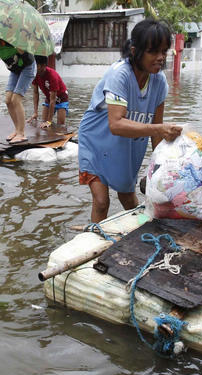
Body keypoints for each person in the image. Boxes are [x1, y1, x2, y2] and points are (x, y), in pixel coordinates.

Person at [77, 19, 183, 222]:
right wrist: (159, 129)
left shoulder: (159, 82)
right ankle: (96, 241)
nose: (160, 58)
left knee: (127, 197)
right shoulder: (120, 75)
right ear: (135, 51)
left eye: (164, 51)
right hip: (96, 141)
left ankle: (145, 232)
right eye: (153, 51)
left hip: (125, 146)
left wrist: (159, 168)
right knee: (101, 201)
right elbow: (116, 124)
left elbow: (156, 133)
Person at [29, 55, 69, 129]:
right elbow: (35, 93)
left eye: (36, 66)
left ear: (43, 66)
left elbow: (53, 100)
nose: (34, 68)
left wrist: (49, 121)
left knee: (60, 126)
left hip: (61, 98)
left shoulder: (52, 76)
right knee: (43, 122)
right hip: (49, 98)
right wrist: (35, 112)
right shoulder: (35, 74)